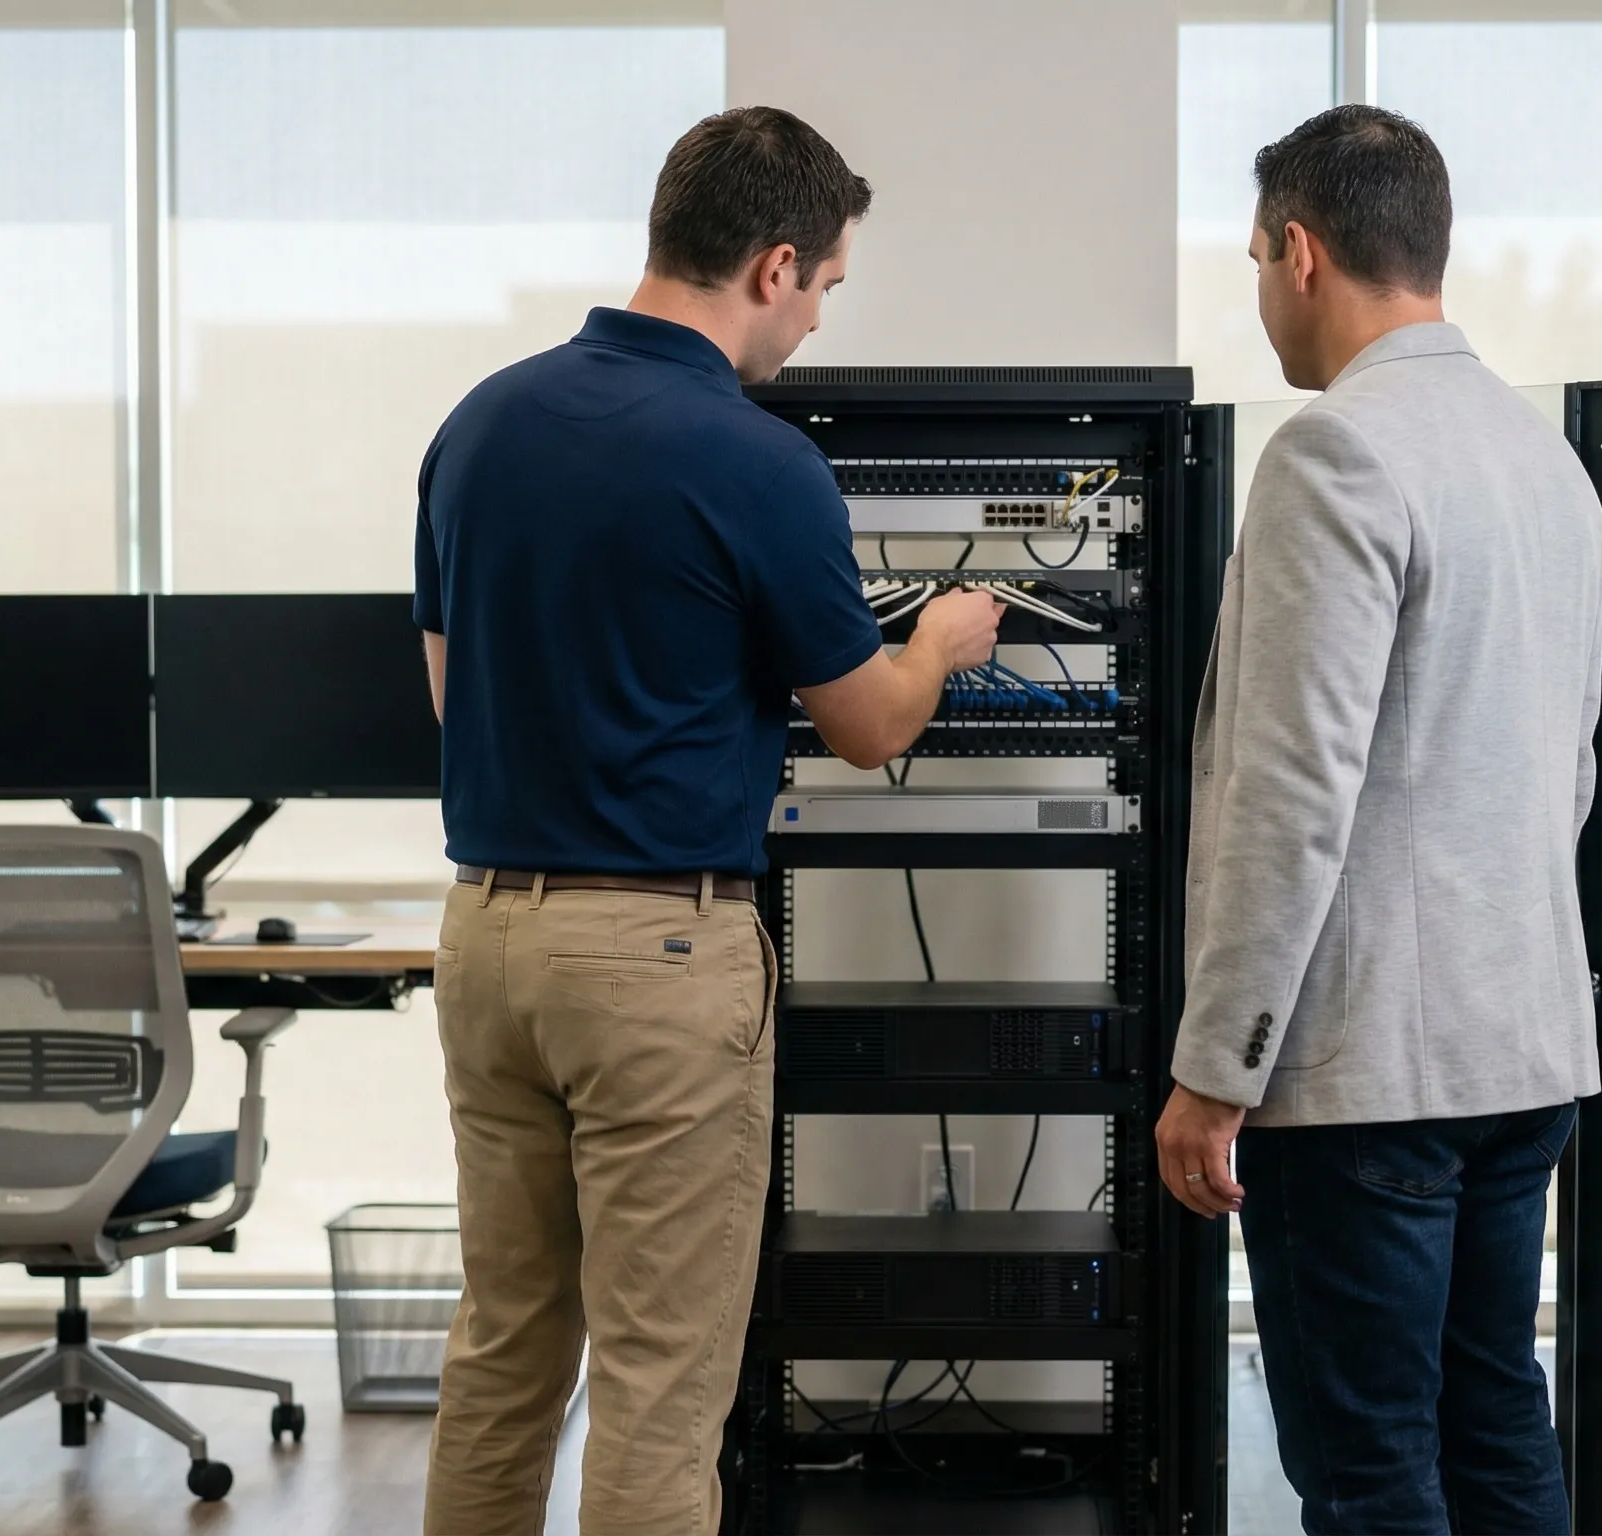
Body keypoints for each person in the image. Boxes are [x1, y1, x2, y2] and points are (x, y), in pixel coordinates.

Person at [411, 106, 1003, 1536]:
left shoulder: (478, 424)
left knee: (505, 1353)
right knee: (662, 1386)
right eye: (824, 291)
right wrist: (944, 640)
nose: (812, 327)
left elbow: (452, 695)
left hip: (487, 941)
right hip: (657, 967)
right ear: (774, 263)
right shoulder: (755, 461)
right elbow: (864, 728)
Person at [1153, 105, 1602, 1535]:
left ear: (1301, 250)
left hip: (1366, 1080)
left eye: (1252, 257)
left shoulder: (1335, 455)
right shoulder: (1549, 465)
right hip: (1520, 1048)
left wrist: (1217, 1066)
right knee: (1496, 1435)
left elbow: (1289, 793)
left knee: (1368, 1475)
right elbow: (1568, 775)